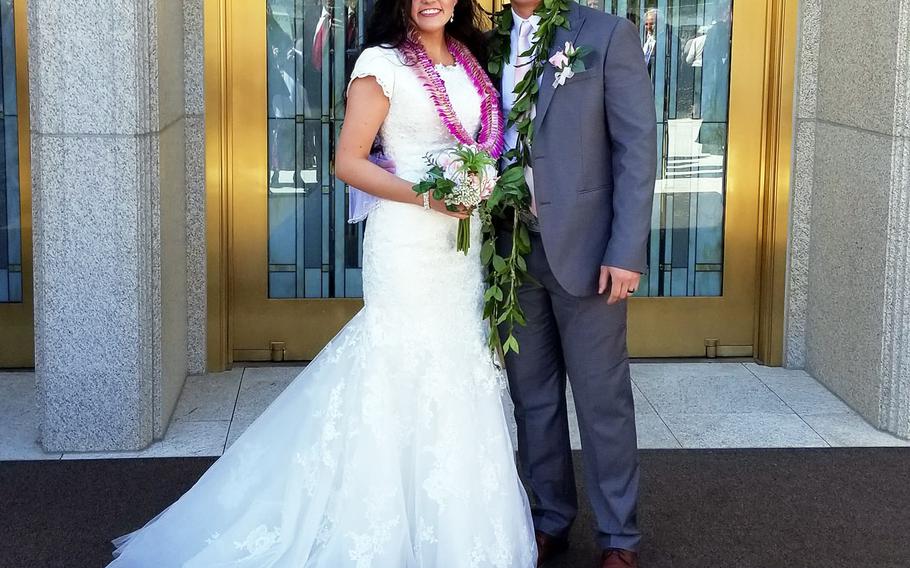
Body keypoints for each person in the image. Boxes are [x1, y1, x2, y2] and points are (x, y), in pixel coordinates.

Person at [105, 0, 537, 565]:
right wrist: (428, 195)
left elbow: (482, 140)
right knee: (400, 363)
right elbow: (349, 162)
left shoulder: (471, 60)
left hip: (462, 246)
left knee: (457, 362)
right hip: (408, 240)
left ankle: (454, 531)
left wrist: (479, 188)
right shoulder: (381, 65)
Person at [496, 1, 656, 568]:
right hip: (511, 254)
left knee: (602, 402)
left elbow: (636, 149)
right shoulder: (486, 40)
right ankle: (549, 520)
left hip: (590, 255)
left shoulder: (609, 34)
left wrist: (625, 251)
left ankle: (619, 536)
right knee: (532, 399)